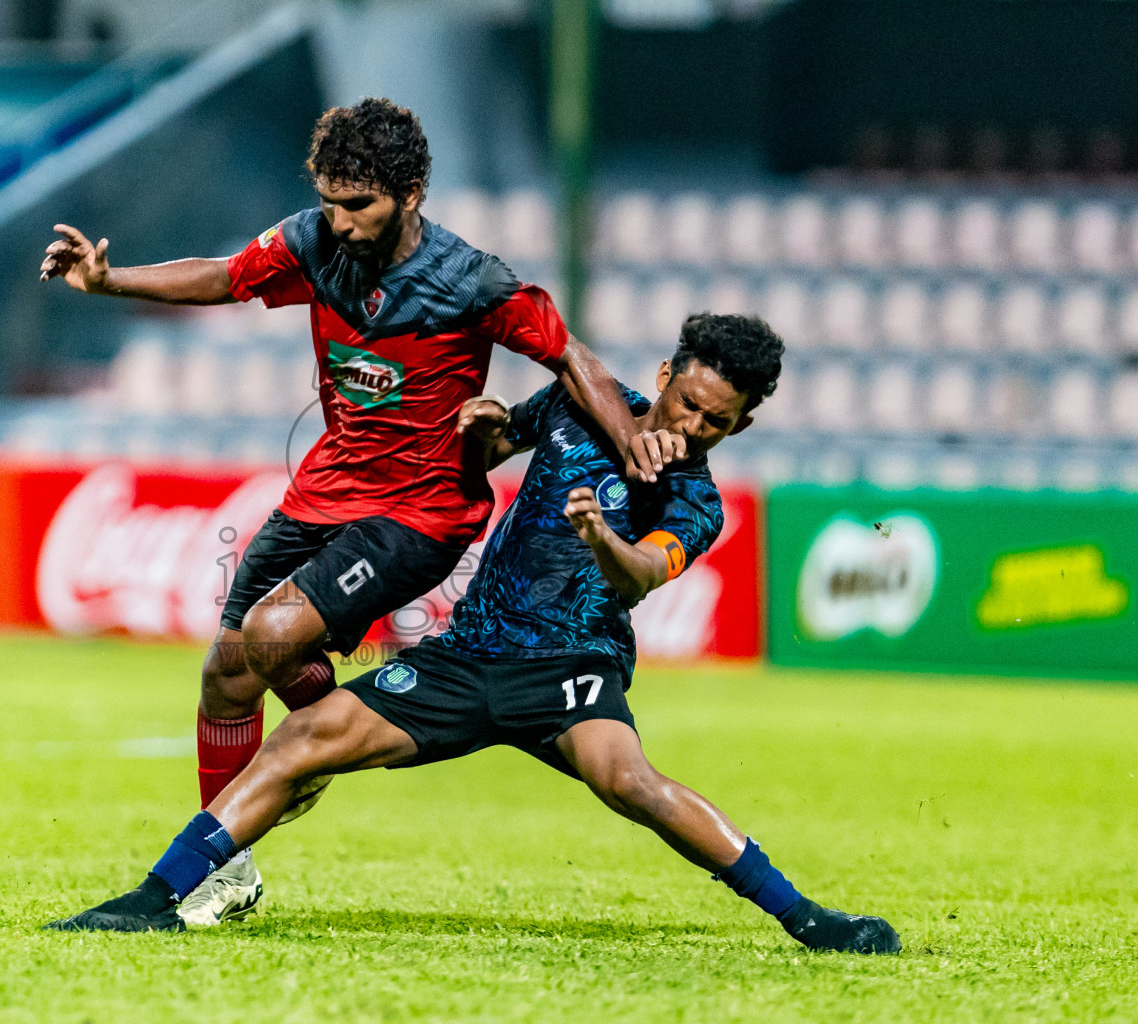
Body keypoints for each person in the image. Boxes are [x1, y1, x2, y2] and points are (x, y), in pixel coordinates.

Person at [44, 313, 903, 955]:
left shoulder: (694, 502)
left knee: (630, 782)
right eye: (688, 401)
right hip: (467, 656)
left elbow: (642, 574)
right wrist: (485, 429)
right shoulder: (575, 404)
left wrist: (605, 540)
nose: (693, 425)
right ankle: (158, 895)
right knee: (306, 737)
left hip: (571, 670)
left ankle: (806, 918)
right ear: (667, 372)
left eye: (717, 421)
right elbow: (492, 450)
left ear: (740, 426)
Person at [40, 98, 669, 926]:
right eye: (329, 199)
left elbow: (570, 357)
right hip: (326, 489)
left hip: (422, 513)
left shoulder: (473, 281)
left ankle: (331, 730)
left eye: (358, 204)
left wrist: (634, 444)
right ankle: (225, 875)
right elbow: (227, 275)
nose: (338, 221)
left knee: (270, 637)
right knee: (227, 673)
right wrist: (109, 279)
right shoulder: (311, 239)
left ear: (412, 193)